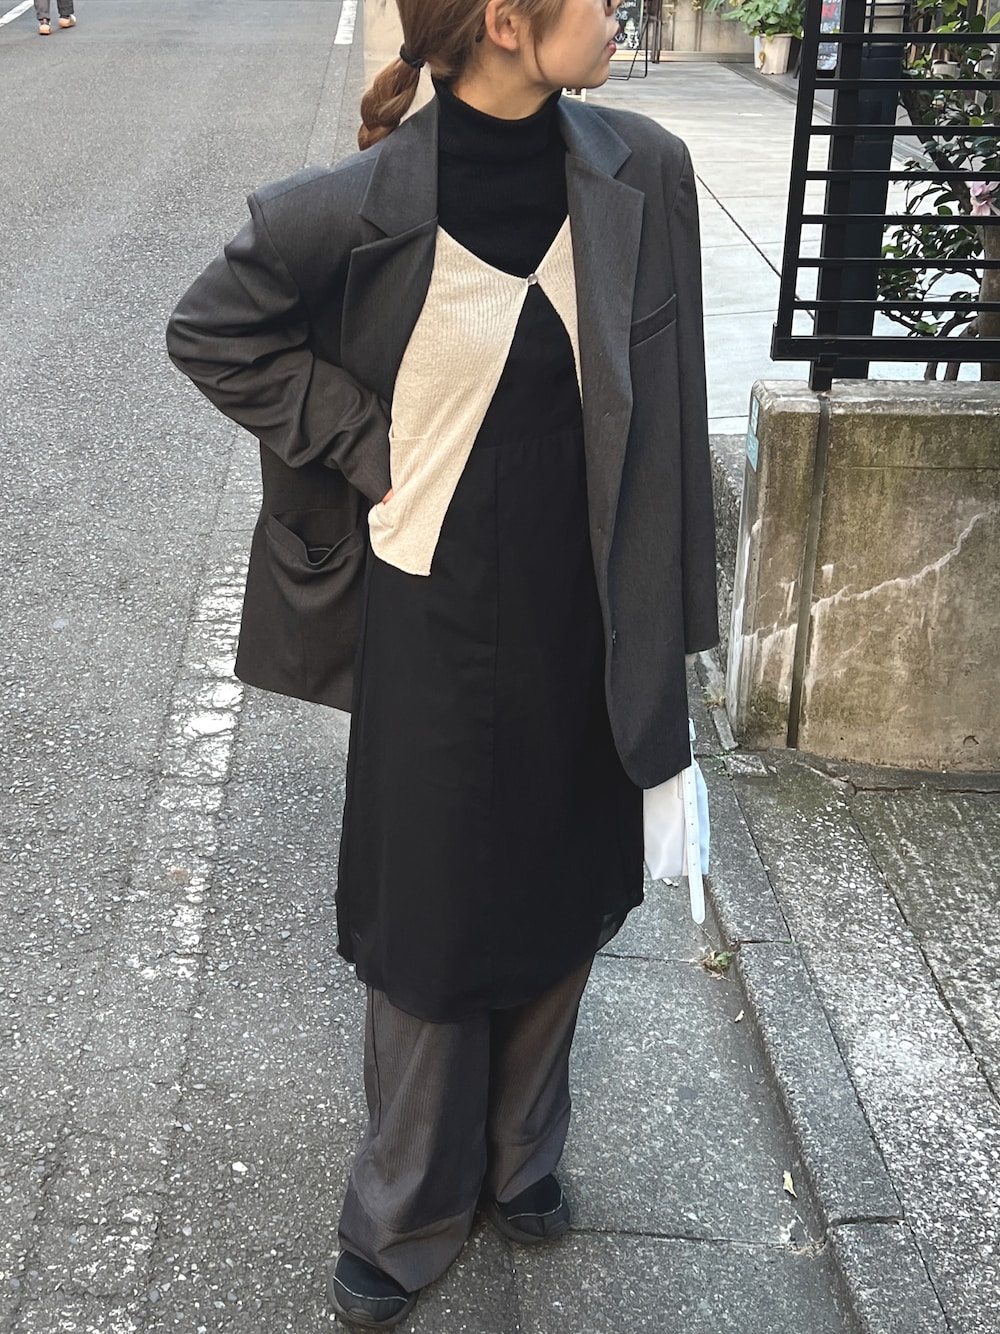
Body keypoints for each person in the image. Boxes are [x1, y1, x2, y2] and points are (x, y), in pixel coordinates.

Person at [166, 0, 718, 1326]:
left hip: (591, 597)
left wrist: (677, 610)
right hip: (431, 603)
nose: (621, 11)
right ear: (510, 25)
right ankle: (408, 1202)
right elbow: (212, 330)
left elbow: (675, 402)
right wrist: (365, 437)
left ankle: (522, 1153)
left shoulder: (645, 171)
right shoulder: (351, 208)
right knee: (431, 904)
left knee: (570, 865)